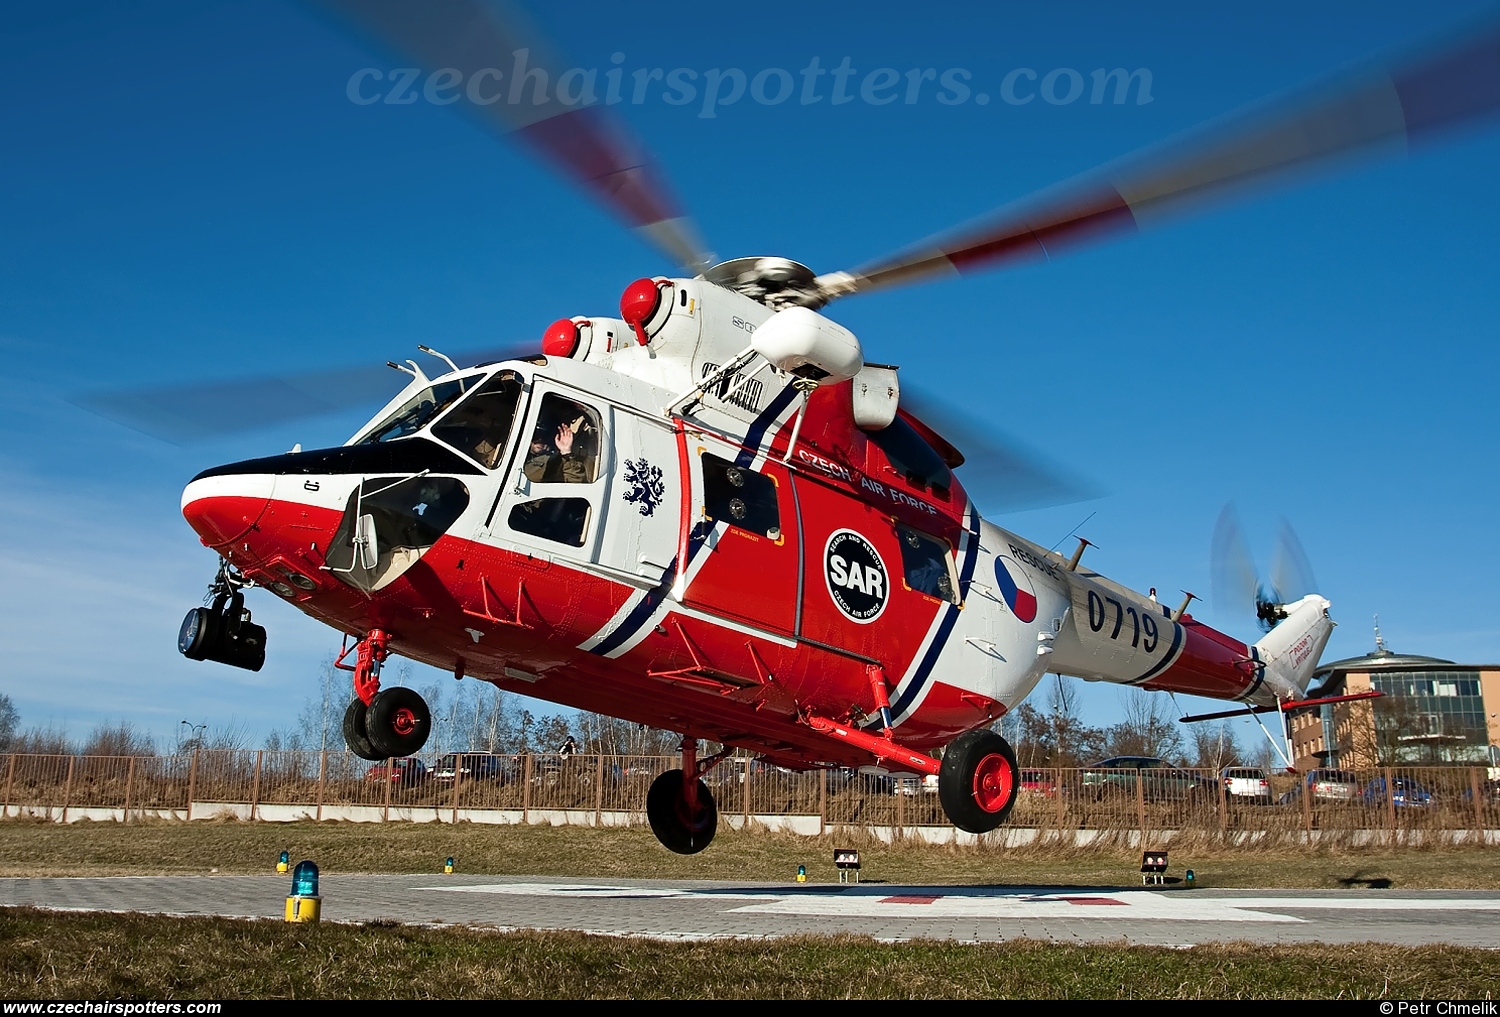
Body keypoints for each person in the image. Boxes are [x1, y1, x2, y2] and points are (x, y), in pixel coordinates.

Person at [524, 411, 591, 484]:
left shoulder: (557, 462)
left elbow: (576, 484)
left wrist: (566, 452)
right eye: (536, 435)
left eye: (546, 436)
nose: (540, 440)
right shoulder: (518, 452)